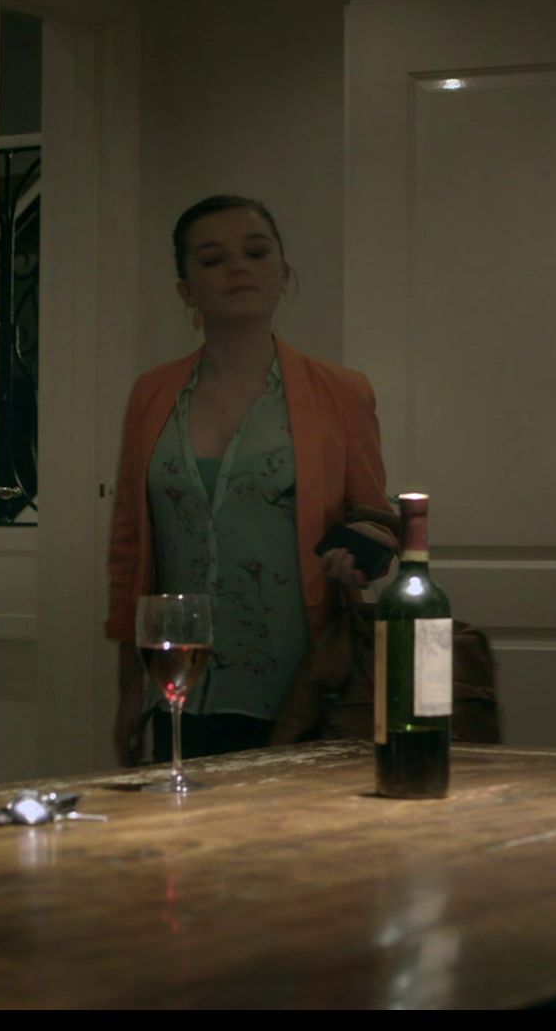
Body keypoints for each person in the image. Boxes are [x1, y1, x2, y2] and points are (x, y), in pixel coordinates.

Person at [107, 195, 395, 766]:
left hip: (305, 687)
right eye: (213, 259)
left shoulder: (341, 393)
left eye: (256, 252)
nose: (238, 268)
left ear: (283, 273)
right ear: (186, 288)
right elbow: (130, 549)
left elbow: (378, 520)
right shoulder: (151, 395)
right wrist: (128, 688)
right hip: (181, 685)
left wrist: (364, 549)